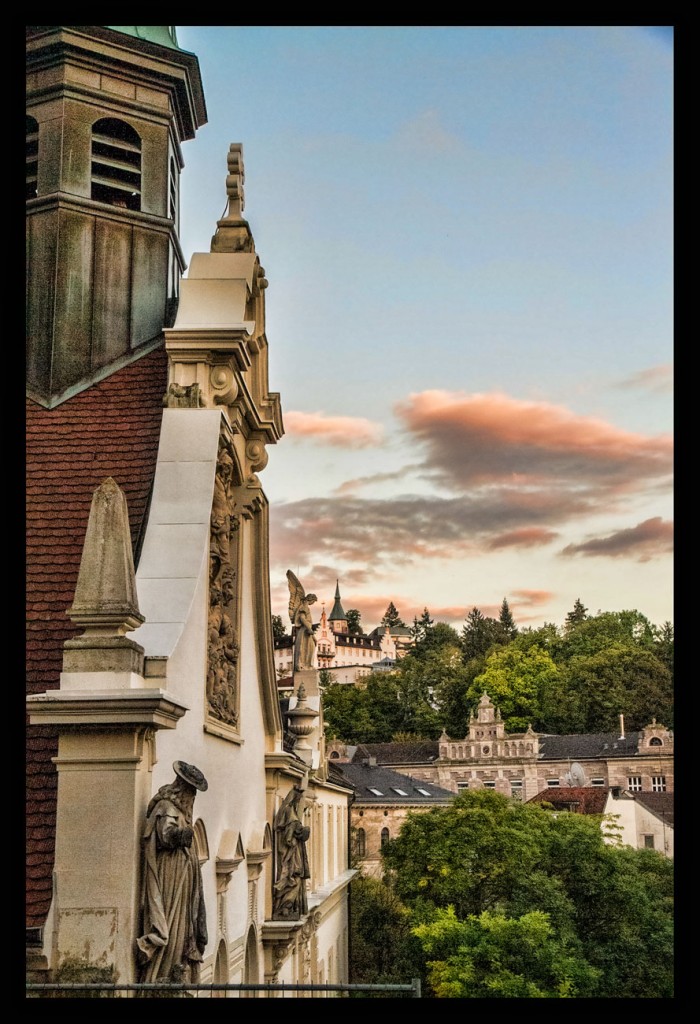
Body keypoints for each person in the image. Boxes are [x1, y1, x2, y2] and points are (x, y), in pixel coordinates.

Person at [136, 761, 208, 984]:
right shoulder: (166, 808)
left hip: (182, 877)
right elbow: (165, 835)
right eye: (191, 792)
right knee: (170, 926)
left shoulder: (179, 811)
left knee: (183, 928)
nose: (192, 797)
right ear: (182, 789)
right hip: (170, 876)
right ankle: (161, 975)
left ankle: (176, 970)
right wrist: (181, 836)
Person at [272, 785, 311, 920]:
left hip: (293, 852)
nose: (299, 801)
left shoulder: (289, 811)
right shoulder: (290, 813)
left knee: (294, 877)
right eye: (298, 798)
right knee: (295, 878)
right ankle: (285, 906)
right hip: (292, 853)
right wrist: (301, 832)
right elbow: (288, 839)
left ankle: (286, 906)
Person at [286, 570, 317, 671]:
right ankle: (304, 665)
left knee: (310, 649)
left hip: (307, 632)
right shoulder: (304, 606)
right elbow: (302, 619)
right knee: (306, 649)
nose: (313, 603)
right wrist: (309, 629)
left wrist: (313, 635)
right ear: (310, 600)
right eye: (313, 601)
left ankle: (308, 665)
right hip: (304, 632)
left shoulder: (305, 606)